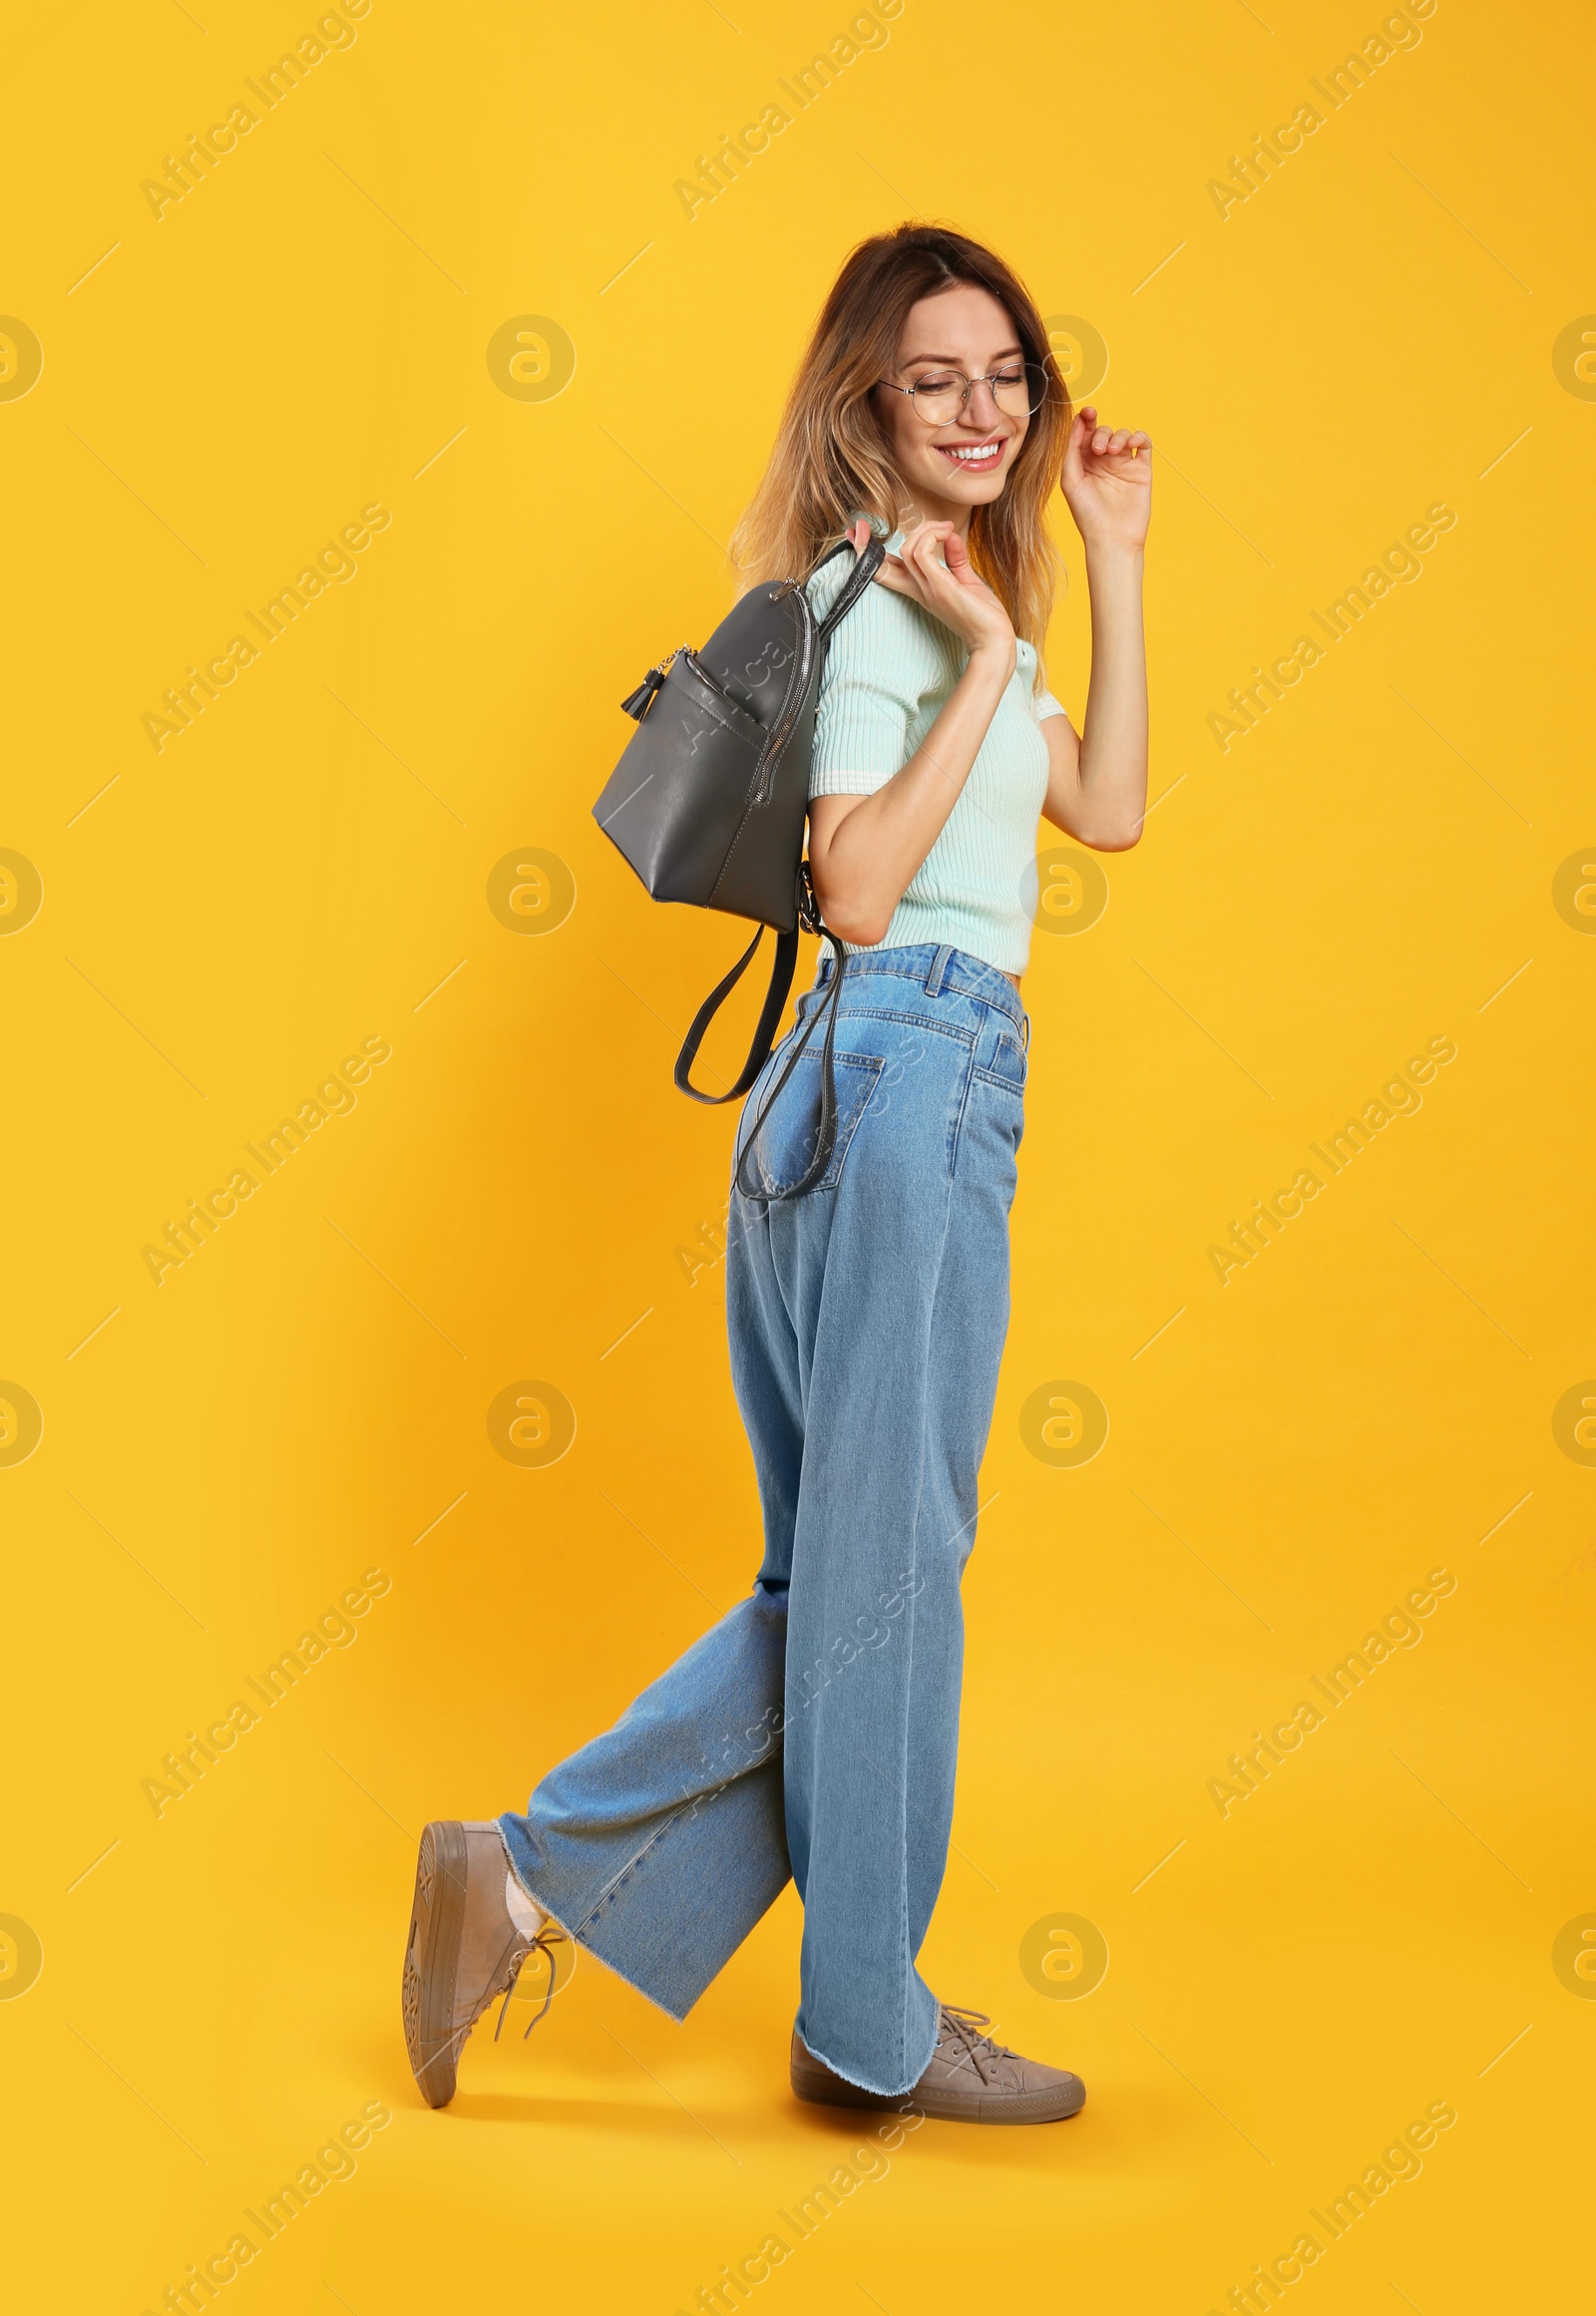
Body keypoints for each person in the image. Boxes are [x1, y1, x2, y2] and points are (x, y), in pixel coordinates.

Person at [402, 222, 1150, 2123]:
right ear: (867, 406)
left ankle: (580, 1898)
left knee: (851, 1574)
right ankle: (851, 2016)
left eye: (1007, 373)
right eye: (938, 379)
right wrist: (981, 653)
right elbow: (858, 885)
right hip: (905, 1059)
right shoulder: (876, 599)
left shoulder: (970, 597)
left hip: (871, 1084)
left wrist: (1107, 568)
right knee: (893, 1570)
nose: (982, 410)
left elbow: (1116, 811)